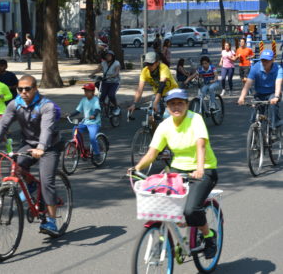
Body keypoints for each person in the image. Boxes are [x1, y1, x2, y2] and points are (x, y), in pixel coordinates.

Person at [130, 88, 218, 259]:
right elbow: (152, 153)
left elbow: (201, 146)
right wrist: (137, 168)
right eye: (172, 104)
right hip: (177, 170)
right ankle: (181, 230)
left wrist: (200, 169)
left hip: (204, 168)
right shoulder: (164, 126)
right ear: (167, 106)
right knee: (164, 203)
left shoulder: (196, 119)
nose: (176, 106)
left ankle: (209, 237)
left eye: (180, 103)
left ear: (186, 104)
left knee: (191, 210)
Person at [0, 75, 62, 235]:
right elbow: (3, 123)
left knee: (47, 181)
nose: (23, 92)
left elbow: (47, 129)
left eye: (27, 89)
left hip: (49, 146)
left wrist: (41, 148)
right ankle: (32, 184)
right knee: (17, 166)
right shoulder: (15, 104)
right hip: (28, 144)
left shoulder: (46, 106)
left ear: (35, 89)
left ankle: (52, 221)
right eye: (20, 89)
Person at [238, 49, 283, 132]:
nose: (264, 62)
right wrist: (242, 97)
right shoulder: (256, 67)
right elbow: (248, 84)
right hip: (259, 94)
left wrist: (276, 97)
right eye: (262, 60)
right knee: (255, 115)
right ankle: (255, 133)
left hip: (272, 93)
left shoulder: (278, 68)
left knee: (273, 107)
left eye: (267, 60)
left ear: (272, 60)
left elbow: (278, 82)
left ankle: (274, 127)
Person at [128, 51, 178, 116]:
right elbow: (140, 90)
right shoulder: (144, 71)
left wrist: (155, 102)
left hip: (171, 92)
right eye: (146, 63)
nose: (148, 66)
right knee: (151, 115)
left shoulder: (163, 68)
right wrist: (134, 104)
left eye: (151, 64)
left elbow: (161, 86)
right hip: (158, 94)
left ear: (157, 63)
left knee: (167, 115)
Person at [67, 83, 101, 163]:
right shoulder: (83, 100)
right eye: (85, 91)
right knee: (75, 130)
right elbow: (78, 110)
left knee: (92, 138)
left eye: (88, 91)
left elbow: (97, 109)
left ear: (93, 92)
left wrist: (94, 115)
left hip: (94, 123)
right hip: (85, 122)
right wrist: (70, 114)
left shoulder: (95, 100)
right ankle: (81, 149)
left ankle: (97, 153)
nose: (86, 92)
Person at [89, 50, 121, 115]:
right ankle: (103, 106)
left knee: (111, 95)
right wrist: (92, 74)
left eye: (109, 56)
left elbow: (116, 73)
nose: (108, 57)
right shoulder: (103, 63)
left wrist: (110, 76)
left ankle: (116, 107)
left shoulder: (116, 63)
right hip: (105, 81)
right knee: (102, 96)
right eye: (106, 56)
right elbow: (98, 69)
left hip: (114, 82)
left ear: (112, 56)